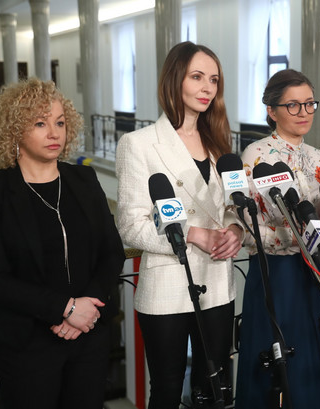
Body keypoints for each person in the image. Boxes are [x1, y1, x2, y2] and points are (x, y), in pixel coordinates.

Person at [0, 78, 126, 409]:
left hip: (88, 335)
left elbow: (112, 251)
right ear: (14, 131)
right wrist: (64, 308)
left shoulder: (84, 180)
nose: (54, 133)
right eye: (40, 123)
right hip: (27, 343)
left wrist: (86, 308)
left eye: (60, 122)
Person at [115, 41, 243, 409]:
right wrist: (192, 234)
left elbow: (233, 209)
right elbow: (130, 225)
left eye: (214, 80)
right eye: (197, 77)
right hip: (167, 282)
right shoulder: (139, 144)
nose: (207, 88)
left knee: (215, 388)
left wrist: (235, 232)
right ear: (175, 80)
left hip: (219, 281)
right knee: (168, 389)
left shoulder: (220, 144)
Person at [236, 68, 320, 409]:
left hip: (319, 269)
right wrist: (301, 236)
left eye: (309, 104)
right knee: (281, 355)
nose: (304, 113)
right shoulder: (256, 155)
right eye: (293, 106)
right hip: (278, 271)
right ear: (272, 111)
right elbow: (252, 223)